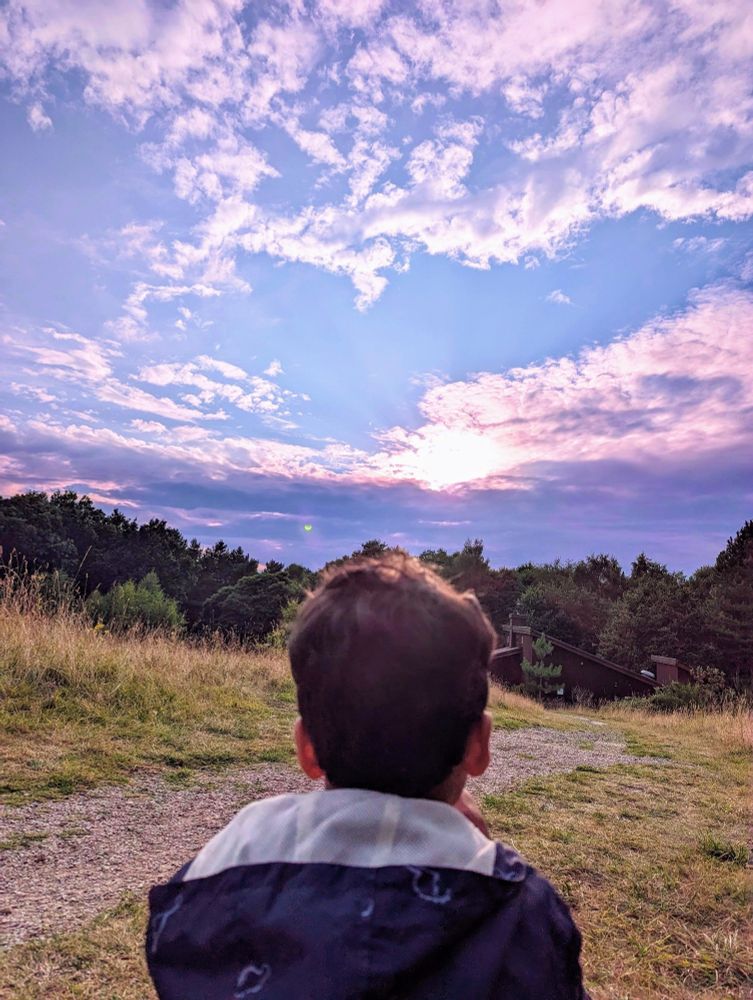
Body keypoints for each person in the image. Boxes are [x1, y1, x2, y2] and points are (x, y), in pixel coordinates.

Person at [146, 553, 589, 999]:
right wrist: (475, 852)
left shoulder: (214, 875)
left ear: (307, 749)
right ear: (479, 746)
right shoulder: (522, 911)